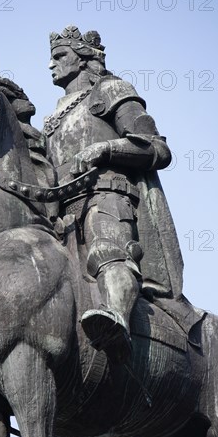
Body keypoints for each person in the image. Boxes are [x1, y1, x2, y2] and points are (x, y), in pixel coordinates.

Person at [44, 25, 184, 363]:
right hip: (61, 214)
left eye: (60, 56)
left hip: (108, 196)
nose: (51, 65)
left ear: (83, 58)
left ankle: (116, 319)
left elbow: (157, 149)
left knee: (107, 252)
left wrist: (106, 149)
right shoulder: (51, 120)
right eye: (51, 59)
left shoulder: (111, 90)